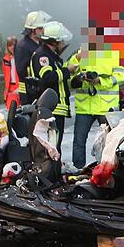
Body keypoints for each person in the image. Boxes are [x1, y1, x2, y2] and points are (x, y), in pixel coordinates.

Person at [68, 39, 124, 169]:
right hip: (85, 107)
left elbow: (119, 76)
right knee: (79, 141)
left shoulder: (112, 55)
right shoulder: (80, 55)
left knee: (110, 141)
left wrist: (100, 80)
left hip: (105, 107)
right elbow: (70, 71)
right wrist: (77, 58)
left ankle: (108, 167)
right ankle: (78, 169)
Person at [29, 21, 72, 153]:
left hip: (57, 109)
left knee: (55, 147)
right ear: (54, 41)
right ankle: (52, 173)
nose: (63, 44)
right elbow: (46, 78)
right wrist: (67, 71)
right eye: (61, 41)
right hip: (51, 109)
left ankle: (55, 172)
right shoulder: (43, 56)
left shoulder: (52, 56)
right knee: (51, 148)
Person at [15, 10, 51, 105]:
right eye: (40, 28)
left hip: (39, 90)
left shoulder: (40, 44)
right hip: (29, 93)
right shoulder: (22, 46)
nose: (43, 31)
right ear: (32, 30)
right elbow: (22, 71)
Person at [1, 36, 21, 111]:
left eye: (14, 45)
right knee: (10, 111)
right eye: (10, 45)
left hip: (19, 86)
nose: (12, 47)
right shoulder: (5, 59)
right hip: (9, 89)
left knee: (19, 111)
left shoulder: (20, 57)